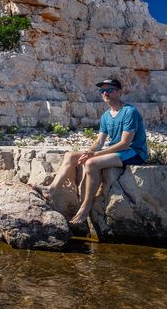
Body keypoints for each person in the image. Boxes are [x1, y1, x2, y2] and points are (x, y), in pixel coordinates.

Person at [42, 78, 148, 226]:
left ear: (119, 92)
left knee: (92, 163)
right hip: (117, 151)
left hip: (134, 152)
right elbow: (99, 142)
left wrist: (95, 155)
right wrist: (88, 152)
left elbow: (125, 143)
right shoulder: (106, 115)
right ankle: (51, 190)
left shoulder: (129, 112)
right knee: (70, 156)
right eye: (102, 91)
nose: (105, 93)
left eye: (109, 90)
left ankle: (85, 207)